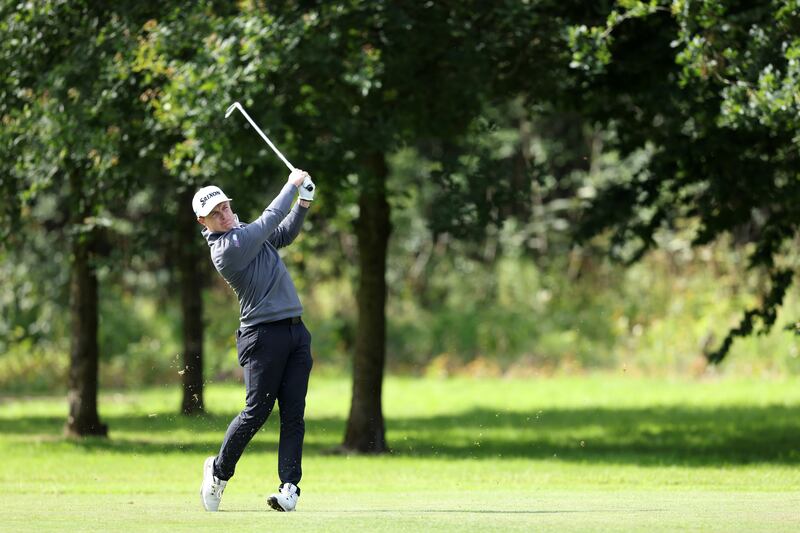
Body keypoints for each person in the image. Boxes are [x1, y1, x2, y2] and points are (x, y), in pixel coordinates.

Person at [193, 169, 316, 512]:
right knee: (256, 412)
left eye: (225, 207)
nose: (224, 214)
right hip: (261, 336)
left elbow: (283, 233)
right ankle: (218, 473)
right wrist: (291, 186)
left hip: (295, 332)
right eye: (215, 213)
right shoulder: (226, 248)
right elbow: (269, 219)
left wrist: (303, 203)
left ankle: (289, 488)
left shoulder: (245, 232)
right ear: (204, 222)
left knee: (293, 414)